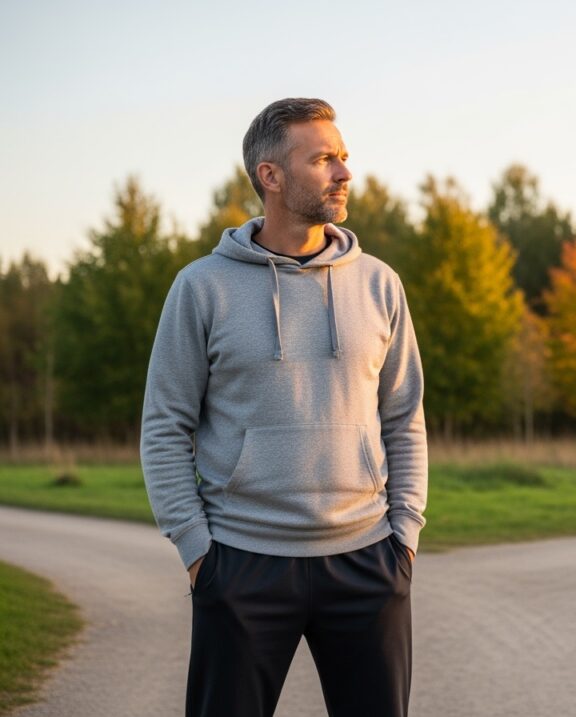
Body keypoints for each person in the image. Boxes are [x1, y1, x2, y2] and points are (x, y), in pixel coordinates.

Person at [140, 97, 427, 717]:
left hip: (367, 559)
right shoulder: (202, 287)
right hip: (241, 562)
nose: (345, 173)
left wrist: (403, 534)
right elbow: (165, 426)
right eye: (323, 159)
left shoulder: (379, 283)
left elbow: (404, 418)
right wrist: (197, 551)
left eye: (343, 157)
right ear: (270, 175)